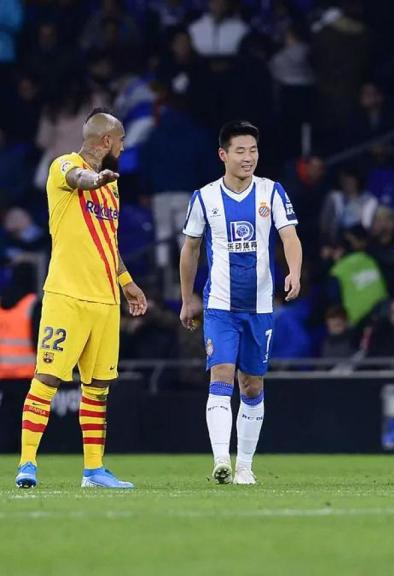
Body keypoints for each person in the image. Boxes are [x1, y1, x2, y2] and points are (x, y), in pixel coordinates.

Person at [15, 109, 149, 489]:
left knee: (98, 387)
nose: (123, 147)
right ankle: (27, 463)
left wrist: (127, 283)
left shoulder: (114, 186)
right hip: (66, 295)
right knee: (47, 377)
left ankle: (94, 471)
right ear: (105, 141)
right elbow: (78, 178)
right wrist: (94, 178)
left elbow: (109, 240)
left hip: (105, 300)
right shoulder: (64, 165)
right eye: (120, 140)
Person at [179, 121, 302, 485]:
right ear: (223, 155)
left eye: (253, 150)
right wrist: (188, 299)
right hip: (219, 305)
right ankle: (221, 461)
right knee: (221, 374)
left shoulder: (272, 192)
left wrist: (294, 271)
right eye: (240, 151)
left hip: (260, 307)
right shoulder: (205, 198)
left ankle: (245, 466)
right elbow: (191, 249)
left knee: (251, 385)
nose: (248, 158)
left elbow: (290, 236)